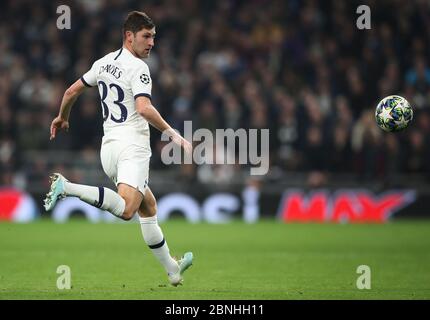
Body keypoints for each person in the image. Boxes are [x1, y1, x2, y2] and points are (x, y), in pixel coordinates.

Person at [44, 11, 193, 286]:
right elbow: (143, 108)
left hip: (109, 149)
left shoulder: (102, 63)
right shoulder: (139, 68)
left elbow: (70, 92)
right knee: (126, 210)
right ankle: (67, 187)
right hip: (132, 148)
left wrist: (62, 117)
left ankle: (172, 269)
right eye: (146, 36)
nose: (151, 43)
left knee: (148, 207)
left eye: (153, 37)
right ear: (129, 36)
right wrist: (174, 135)